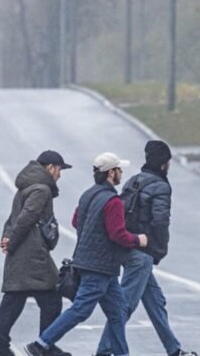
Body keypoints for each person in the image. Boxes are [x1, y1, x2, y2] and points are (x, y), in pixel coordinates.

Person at [25, 152, 148, 356]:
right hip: (99, 266)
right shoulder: (113, 201)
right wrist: (138, 240)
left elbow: (76, 221)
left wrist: (94, 229)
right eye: (119, 170)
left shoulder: (87, 195)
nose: (121, 173)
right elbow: (118, 234)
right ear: (111, 173)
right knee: (81, 309)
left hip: (96, 265)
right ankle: (40, 344)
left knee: (118, 312)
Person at [95, 141, 197, 356]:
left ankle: (174, 349)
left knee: (155, 302)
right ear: (164, 163)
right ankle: (103, 351)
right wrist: (158, 249)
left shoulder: (133, 181)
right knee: (125, 306)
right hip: (141, 255)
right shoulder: (161, 186)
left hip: (129, 249)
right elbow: (160, 222)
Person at [0, 151, 74, 356]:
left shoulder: (26, 188)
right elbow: (26, 217)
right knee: (51, 298)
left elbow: (12, 219)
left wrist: (7, 238)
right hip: (33, 253)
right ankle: (45, 345)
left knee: (14, 298)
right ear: (50, 168)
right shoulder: (41, 189)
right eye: (59, 169)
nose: (60, 175)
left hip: (22, 251)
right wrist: (12, 240)